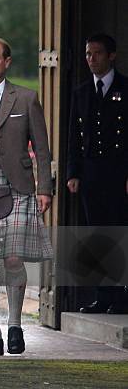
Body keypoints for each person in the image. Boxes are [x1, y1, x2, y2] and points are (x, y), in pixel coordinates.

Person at [0, 38, 54, 356]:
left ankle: (15, 326)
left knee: (13, 258)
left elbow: (42, 148)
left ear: (8, 62)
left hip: (18, 186)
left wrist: (45, 188)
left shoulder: (27, 98)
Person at [67, 33, 128, 314]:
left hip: (118, 173)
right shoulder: (81, 92)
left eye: (97, 54)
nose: (91, 59)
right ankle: (102, 295)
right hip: (91, 174)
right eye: (88, 54)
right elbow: (74, 138)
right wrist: (73, 172)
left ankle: (120, 296)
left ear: (111, 56)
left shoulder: (125, 88)